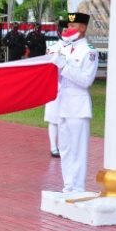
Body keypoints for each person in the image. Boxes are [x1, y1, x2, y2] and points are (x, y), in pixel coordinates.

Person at [51, 13, 98, 194]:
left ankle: (77, 188)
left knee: (78, 150)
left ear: (83, 28)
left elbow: (86, 81)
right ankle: (68, 186)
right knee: (65, 148)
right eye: (68, 26)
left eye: (73, 26)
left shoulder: (89, 52)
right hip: (63, 103)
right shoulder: (66, 49)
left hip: (78, 105)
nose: (69, 29)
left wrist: (63, 66)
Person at [44, 20, 68, 158]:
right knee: (53, 118)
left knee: (67, 119)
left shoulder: (75, 48)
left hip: (71, 87)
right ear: (59, 32)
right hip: (55, 87)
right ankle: (54, 147)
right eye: (64, 31)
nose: (67, 33)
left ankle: (65, 146)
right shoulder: (53, 48)